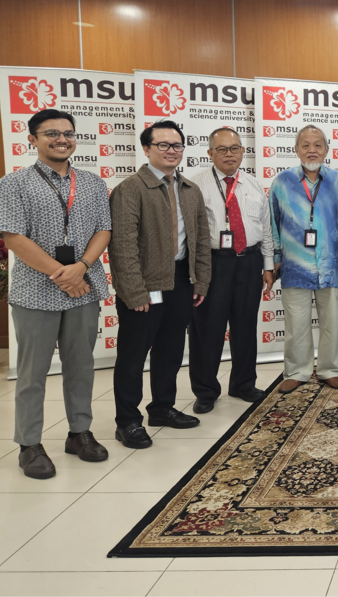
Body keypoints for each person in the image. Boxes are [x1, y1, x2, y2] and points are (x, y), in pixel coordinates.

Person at [0, 109, 111, 479]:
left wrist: (81, 267)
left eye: (68, 133)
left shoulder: (92, 183)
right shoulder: (13, 184)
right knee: (32, 372)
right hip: (36, 292)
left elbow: (104, 230)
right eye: (51, 133)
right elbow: (13, 237)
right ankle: (29, 444)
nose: (62, 139)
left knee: (81, 366)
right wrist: (62, 274)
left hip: (83, 288)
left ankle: (79, 433)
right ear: (33, 139)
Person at [109, 121, 212, 449]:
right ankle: (127, 421)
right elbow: (122, 245)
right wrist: (134, 290)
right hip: (145, 284)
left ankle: (162, 408)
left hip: (181, 281)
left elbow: (201, 241)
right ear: (147, 149)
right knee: (133, 355)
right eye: (163, 145)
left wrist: (201, 281)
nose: (171, 150)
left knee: (170, 350)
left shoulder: (190, 189)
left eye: (177, 145)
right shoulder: (130, 189)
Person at [188, 128, 274, 413]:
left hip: (249, 261)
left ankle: (243, 384)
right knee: (207, 329)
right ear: (210, 153)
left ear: (242, 152)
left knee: (245, 326)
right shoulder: (195, 184)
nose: (229, 154)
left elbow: (266, 229)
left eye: (234, 148)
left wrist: (268, 265)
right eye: (222, 149)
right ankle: (206, 391)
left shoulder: (253, 184)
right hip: (213, 263)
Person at [270, 126, 338, 392]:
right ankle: (297, 371)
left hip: (330, 264)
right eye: (305, 145)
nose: (312, 150)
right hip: (294, 265)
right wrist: (276, 257)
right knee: (296, 324)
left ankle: (330, 370)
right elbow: (273, 223)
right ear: (296, 149)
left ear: (327, 149)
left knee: (331, 323)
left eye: (318, 145)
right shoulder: (282, 182)